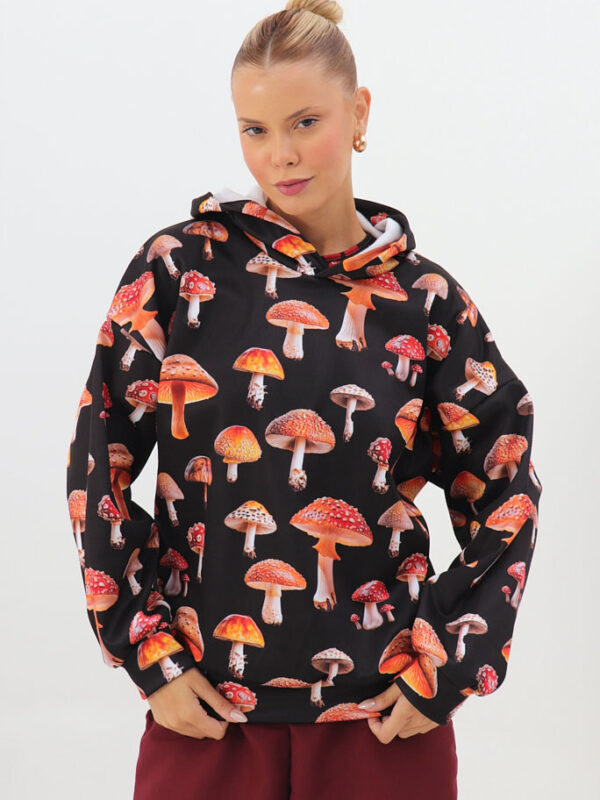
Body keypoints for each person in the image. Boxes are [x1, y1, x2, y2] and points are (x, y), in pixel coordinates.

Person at [65, 1, 543, 798]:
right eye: (254, 129)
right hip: (207, 717)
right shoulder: (177, 273)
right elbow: (96, 465)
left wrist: (447, 667)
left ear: (360, 114)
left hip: (384, 723)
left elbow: (506, 483)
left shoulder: (427, 305)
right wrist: (149, 654)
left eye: (305, 122)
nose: (279, 155)